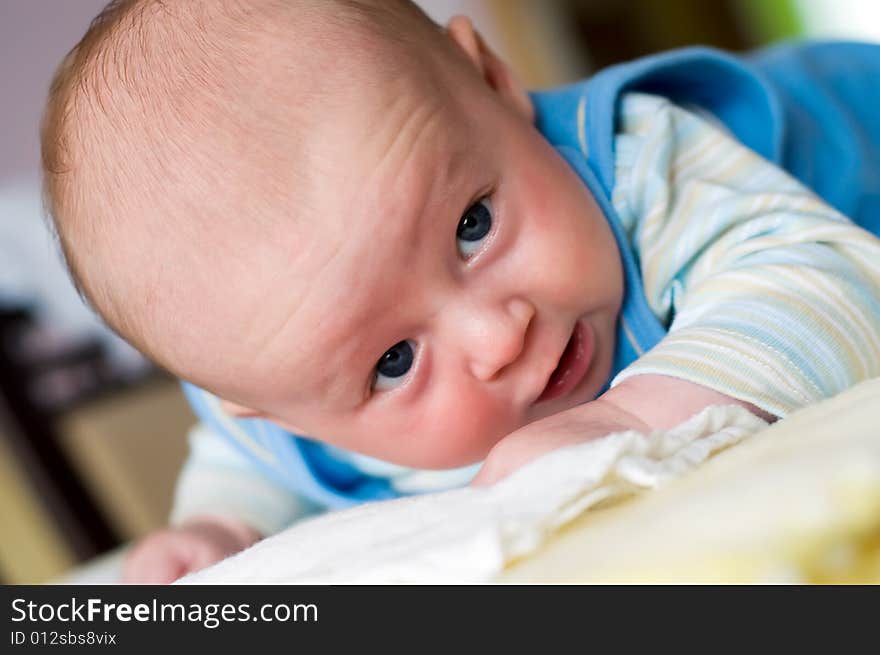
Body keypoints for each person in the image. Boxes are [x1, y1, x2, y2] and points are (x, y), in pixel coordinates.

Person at [40, 0, 880, 583]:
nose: (498, 337)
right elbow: (244, 457)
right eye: (396, 360)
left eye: (473, 226)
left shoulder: (641, 163)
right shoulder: (274, 392)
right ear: (274, 406)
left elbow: (826, 277)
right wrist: (218, 524)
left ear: (492, 84)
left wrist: (633, 419)